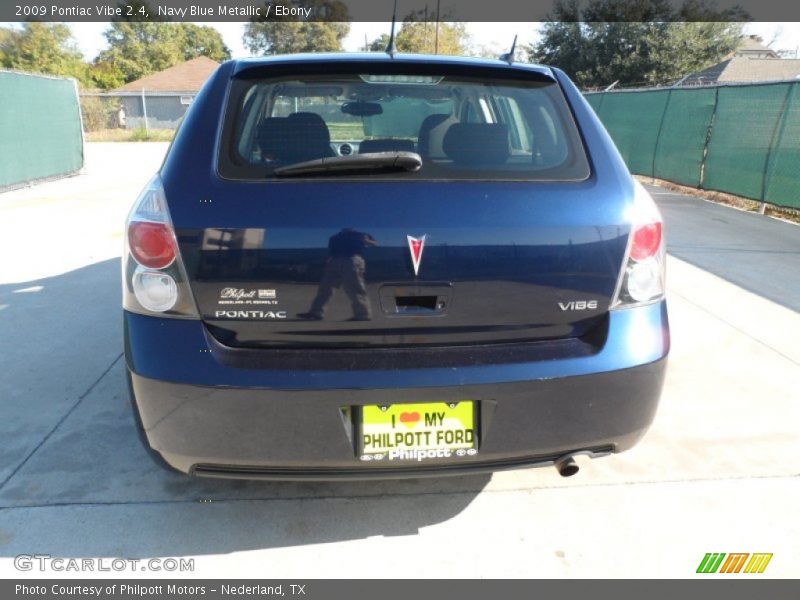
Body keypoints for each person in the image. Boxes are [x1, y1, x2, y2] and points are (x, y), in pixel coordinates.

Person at [298, 228, 377, 321]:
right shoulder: (334, 237)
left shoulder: (359, 234)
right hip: (334, 261)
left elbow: (374, 243)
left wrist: (365, 240)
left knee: (355, 287)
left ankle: (363, 315)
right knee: (325, 287)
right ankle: (316, 313)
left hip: (351, 260)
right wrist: (328, 261)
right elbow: (331, 251)